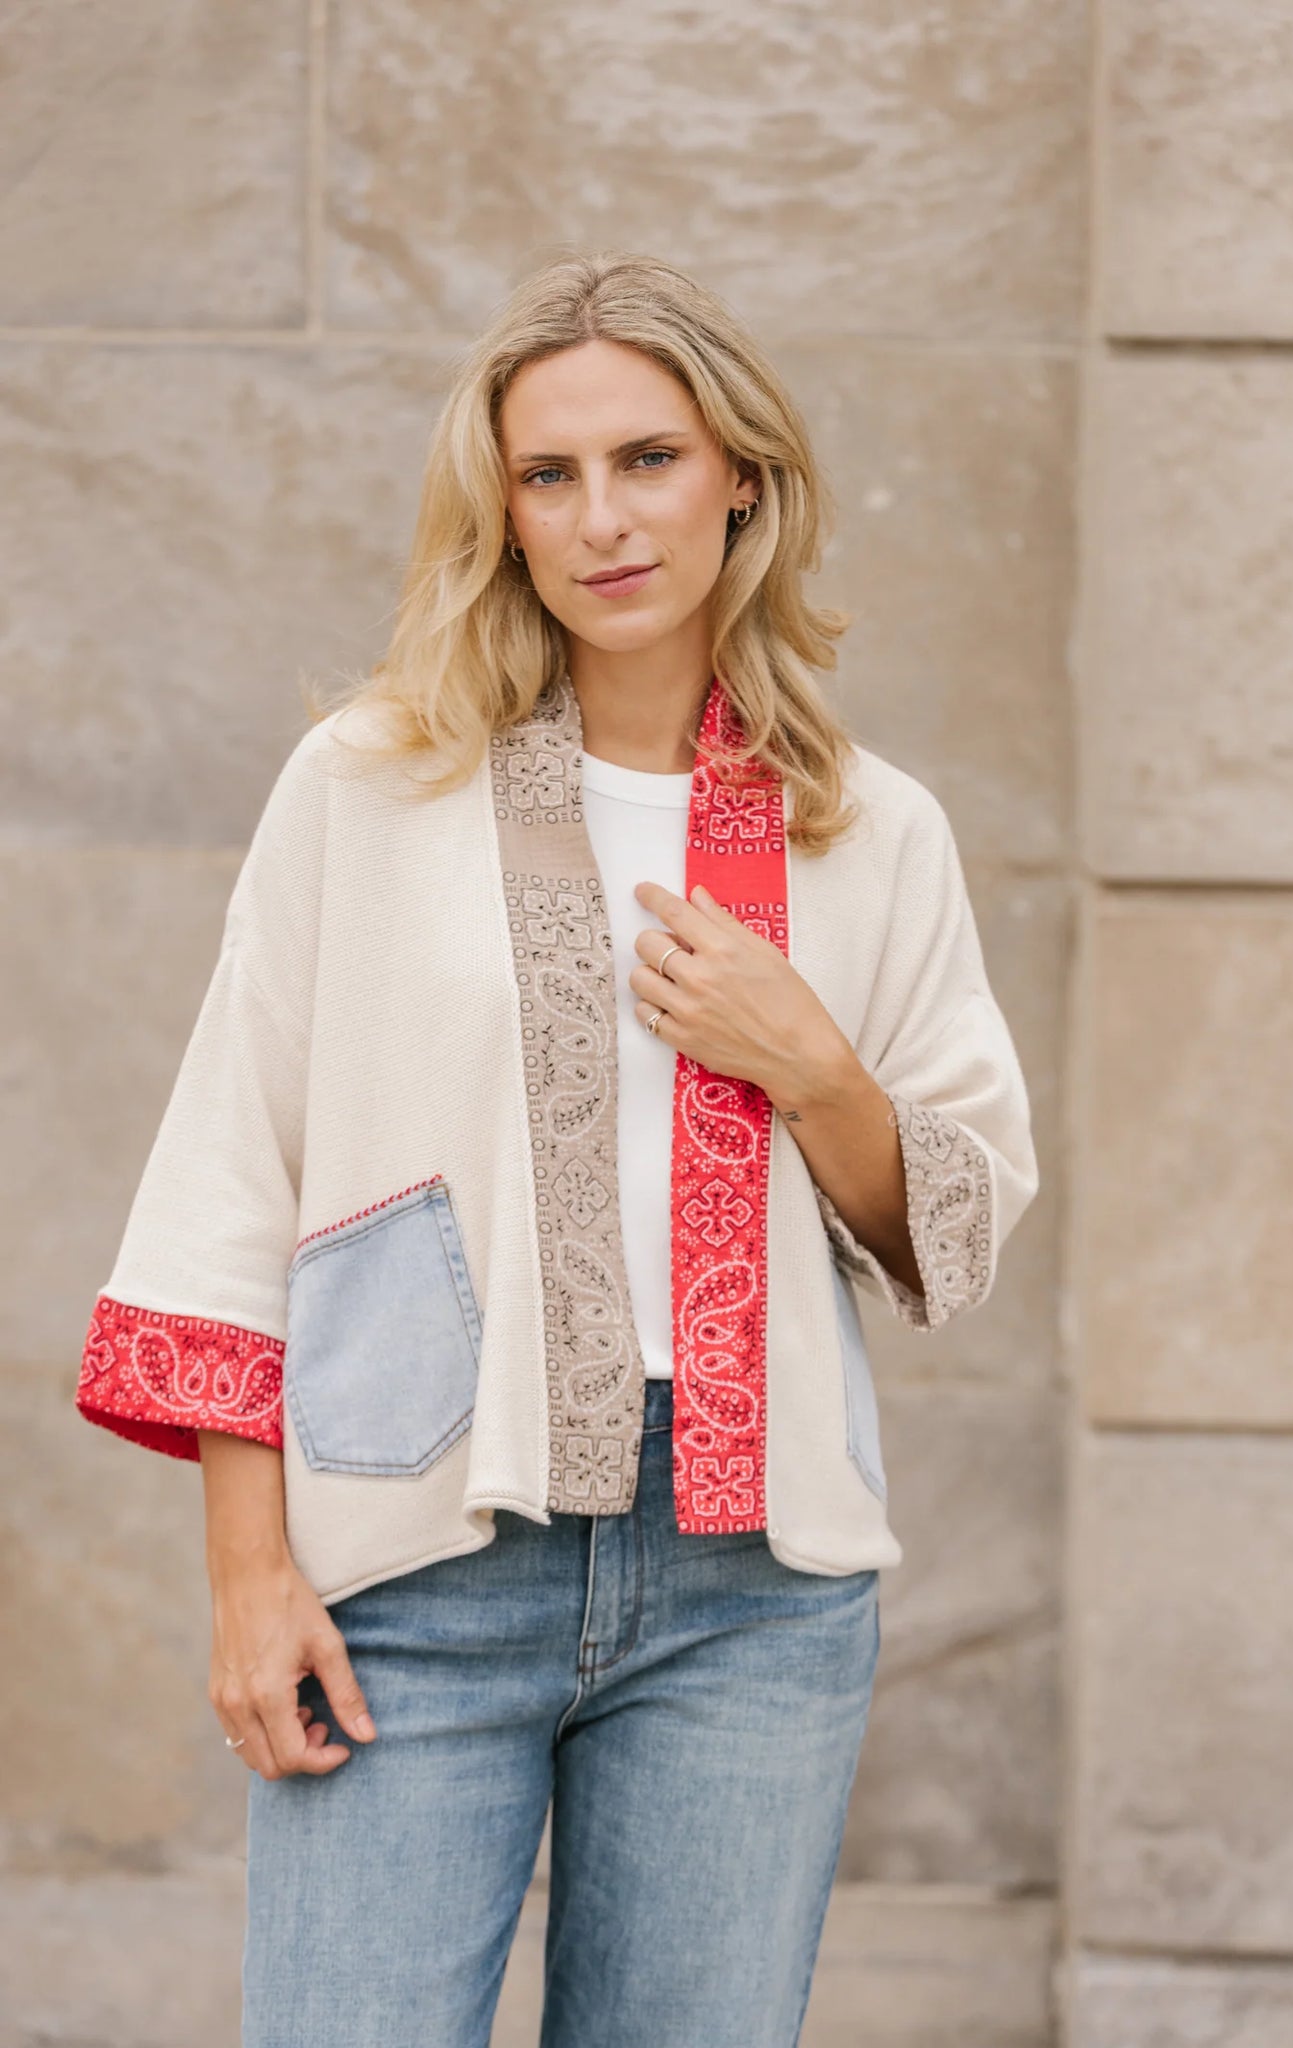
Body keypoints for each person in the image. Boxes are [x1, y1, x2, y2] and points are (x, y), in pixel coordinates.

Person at [74, 247, 1039, 2048]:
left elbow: (953, 1228)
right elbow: (229, 1174)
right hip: (417, 1555)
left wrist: (810, 1063)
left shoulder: (867, 830)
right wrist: (248, 1573)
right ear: (501, 510)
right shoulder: (373, 782)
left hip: (752, 1590)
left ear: (739, 475)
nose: (603, 518)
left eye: (649, 459)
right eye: (549, 473)